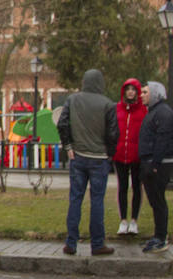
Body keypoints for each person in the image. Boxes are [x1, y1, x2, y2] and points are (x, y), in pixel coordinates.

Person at [57, 69, 119, 256]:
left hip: (78, 156)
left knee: (75, 199)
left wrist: (68, 146)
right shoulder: (108, 104)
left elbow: (62, 124)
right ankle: (97, 244)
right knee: (97, 201)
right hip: (99, 158)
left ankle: (71, 243)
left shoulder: (72, 100)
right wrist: (109, 155)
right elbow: (113, 133)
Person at [138, 81, 173, 253]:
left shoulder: (163, 113)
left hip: (158, 165)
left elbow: (163, 140)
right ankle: (158, 236)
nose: (141, 95)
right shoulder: (153, 112)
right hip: (151, 162)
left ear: (155, 93)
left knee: (158, 201)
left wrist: (154, 164)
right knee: (155, 202)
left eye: (145, 92)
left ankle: (161, 239)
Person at [113, 78, 147, 235]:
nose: (131, 92)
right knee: (122, 187)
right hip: (120, 154)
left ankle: (134, 220)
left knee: (136, 187)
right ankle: (123, 221)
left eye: (133, 89)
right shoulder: (117, 108)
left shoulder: (143, 110)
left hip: (137, 156)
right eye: (128, 89)